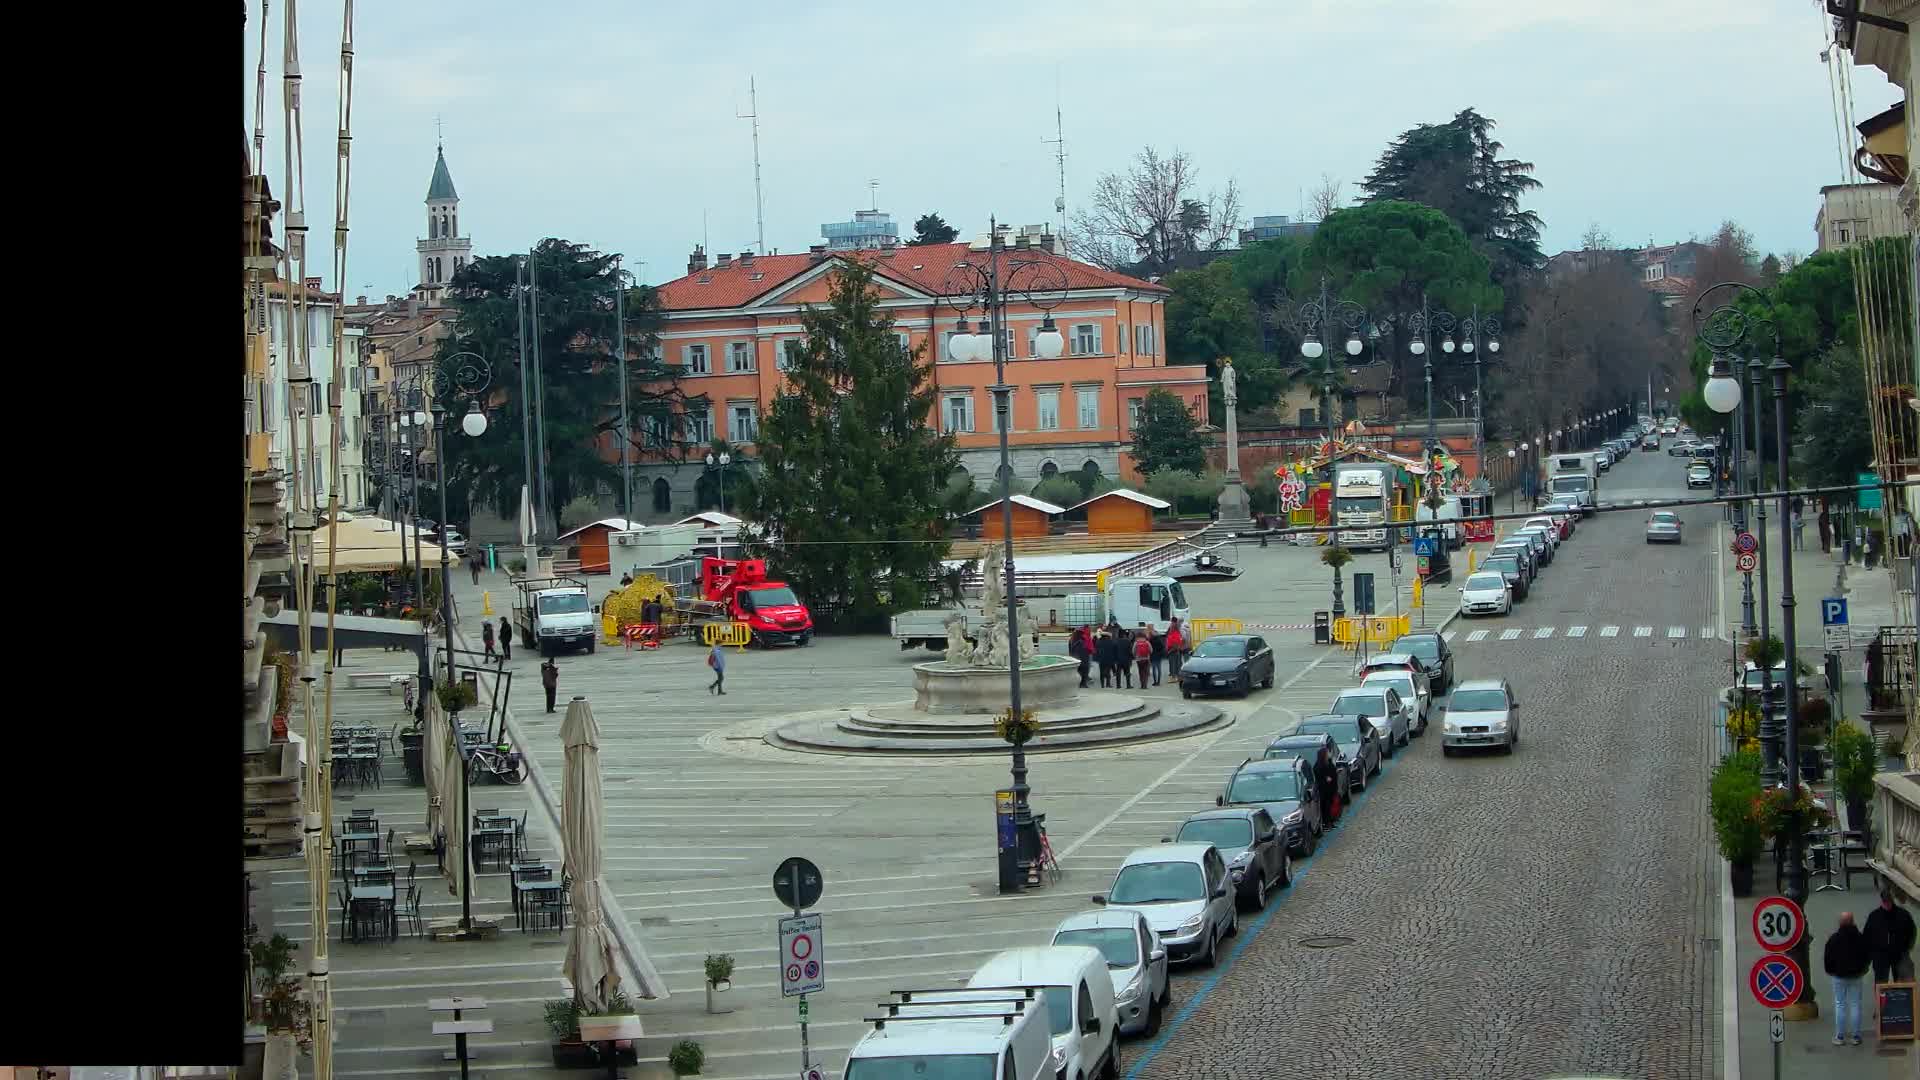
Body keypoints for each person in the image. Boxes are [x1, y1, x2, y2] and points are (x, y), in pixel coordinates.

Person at [1824, 910, 1873, 1045]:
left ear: (1840, 923)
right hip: (1856, 975)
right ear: (1853, 922)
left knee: (1840, 1004)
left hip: (1838, 976)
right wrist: (1864, 969)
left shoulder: (1834, 939)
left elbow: (1828, 958)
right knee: (1855, 1004)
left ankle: (1840, 1036)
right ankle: (1856, 1036)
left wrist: (1830, 971)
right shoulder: (1860, 938)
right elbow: (1867, 956)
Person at [1865, 890, 1917, 984]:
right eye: (1885, 902)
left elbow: (1912, 932)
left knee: (1901, 981)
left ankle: (1899, 998)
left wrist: (1907, 947)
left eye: (1888, 902)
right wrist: (1872, 952)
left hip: (1900, 953)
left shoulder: (1903, 915)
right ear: (1882, 901)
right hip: (1880, 955)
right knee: (1881, 981)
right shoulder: (1874, 916)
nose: (1887, 904)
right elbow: (1867, 935)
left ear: (1892, 901)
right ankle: (1881, 998)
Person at [1314, 745, 1341, 827]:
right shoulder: (1318, 766)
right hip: (1325, 791)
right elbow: (1319, 778)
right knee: (1325, 807)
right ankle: (1326, 823)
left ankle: (1330, 821)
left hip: (1331, 790)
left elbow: (1332, 772)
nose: (1329, 753)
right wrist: (1326, 779)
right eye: (1328, 752)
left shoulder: (1329, 763)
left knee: (1330, 806)